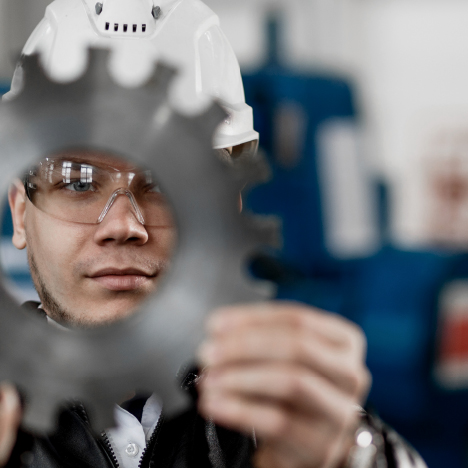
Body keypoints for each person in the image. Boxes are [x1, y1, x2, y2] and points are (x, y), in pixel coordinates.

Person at [0, 0, 426, 467]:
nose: (123, 226)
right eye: (78, 181)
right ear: (21, 213)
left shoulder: (298, 426)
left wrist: (352, 454)